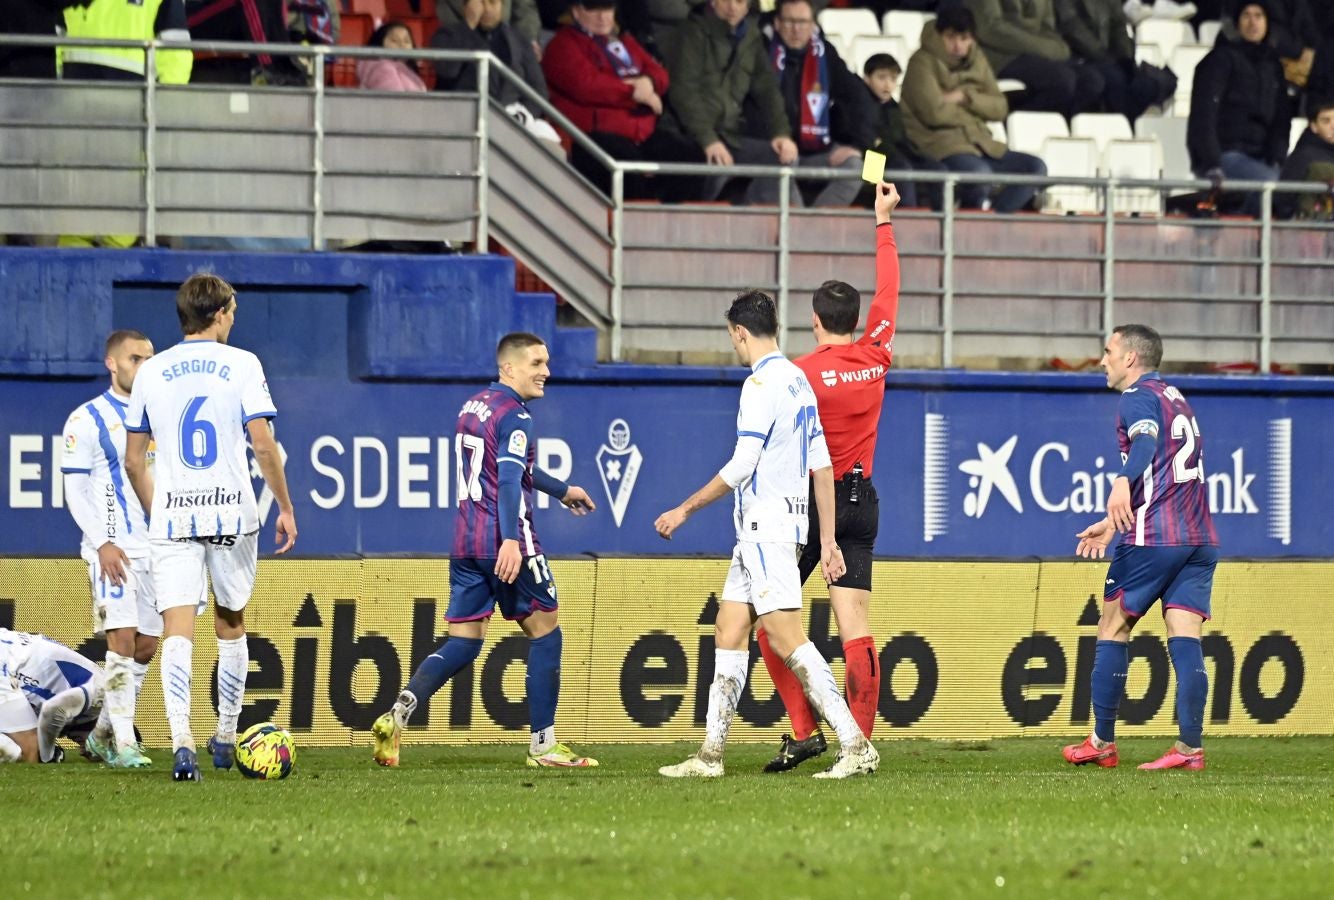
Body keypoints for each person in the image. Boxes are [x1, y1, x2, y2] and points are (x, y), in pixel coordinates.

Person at [654, 290, 880, 780]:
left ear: (739, 332)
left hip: (766, 529)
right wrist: (829, 542)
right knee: (729, 627)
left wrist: (684, 509)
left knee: (785, 634)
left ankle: (855, 743)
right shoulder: (798, 380)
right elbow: (822, 467)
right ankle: (711, 755)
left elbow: (742, 464)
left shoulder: (759, 385)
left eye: (732, 337)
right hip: (774, 529)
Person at [371, 333, 600, 769]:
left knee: (464, 641)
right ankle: (544, 745)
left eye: (547, 363)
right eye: (536, 363)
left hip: (466, 542)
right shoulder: (517, 417)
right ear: (509, 367)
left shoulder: (472, 407)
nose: (546, 371)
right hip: (506, 541)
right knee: (546, 631)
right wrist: (512, 538)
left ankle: (398, 713)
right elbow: (510, 482)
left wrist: (561, 489)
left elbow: (509, 470)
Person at [123, 274, 298, 782]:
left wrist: (163, 508)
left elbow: (135, 461)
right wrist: (284, 506)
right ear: (220, 313)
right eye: (233, 311)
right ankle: (224, 736)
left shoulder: (152, 372)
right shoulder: (243, 364)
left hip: (174, 513)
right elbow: (262, 443)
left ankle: (181, 746)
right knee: (230, 622)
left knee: (178, 629)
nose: (233, 319)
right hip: (231, 511)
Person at [754, 182, 901, 773]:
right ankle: (858, 745)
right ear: (856, 320)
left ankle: (804, 729)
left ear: (814, 321)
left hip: (814, 507)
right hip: (863, 499)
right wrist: (882, 222)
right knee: (856, 630)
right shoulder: (876, 355)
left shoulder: (798, 376)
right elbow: (892, 291)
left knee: (772, 625)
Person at [1063, 324, 1218, 772]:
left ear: (1130, 357)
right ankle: (1189, 749)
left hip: (1157, 537)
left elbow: (1147, 443)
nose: (1103, 360)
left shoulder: (1135, 398)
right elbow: (1167, 471)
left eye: (1109, 351)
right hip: (1199, 539)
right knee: (1186, 638)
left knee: (1112, 628)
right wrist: (1114, 524)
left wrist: (1118, 483)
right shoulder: (1175, 396)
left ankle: (1101, 741)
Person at [60, 330, 160, 769]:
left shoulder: (159, 414)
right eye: (135, 358)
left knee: (146, 647)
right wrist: (102, 542)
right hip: (113, 548)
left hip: (157, 548)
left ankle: (100, 734)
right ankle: (124, 744)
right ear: (112, 364)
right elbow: (76, 489)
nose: (143, 367)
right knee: (120, 641)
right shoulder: (87, 420)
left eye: (149, 359)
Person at [541, 0, 705, 201]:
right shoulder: (561, 45)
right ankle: (635, 226)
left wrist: (648, 82)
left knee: (691, 157)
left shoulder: (622, 42)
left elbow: (659, 73)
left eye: (607, 9)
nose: (602, 17)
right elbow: (587, 86)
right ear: (576, 12)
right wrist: (633, 92)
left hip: (640, 133)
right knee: (627, 165)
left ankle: (674, 223)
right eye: (593, 10)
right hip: (589, 138)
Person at [901, 6, 1048, 212]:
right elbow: (934, 113)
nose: (958, 45)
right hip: (942, 146)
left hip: (981, 144)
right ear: (939, 34)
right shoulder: (921, 63)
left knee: (1035, 168)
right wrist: (978, 107)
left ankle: (994, 221)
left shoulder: (977, 60)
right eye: (951, 37)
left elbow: (1000, 108)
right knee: (979, 175)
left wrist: (966, 97)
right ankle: (968, 224)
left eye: (964, 38)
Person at [665, 0, 797, 204]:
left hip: (732, 136)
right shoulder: (692, 32)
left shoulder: (751, 37)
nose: (732, 7)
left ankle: (752, 220)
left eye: (739, 1)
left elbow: (767, 89)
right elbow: (684, 92)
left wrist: (781, 133)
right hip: (689, 135)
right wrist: (708, 139)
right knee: (715, 163)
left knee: (784, 159)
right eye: (727, 0)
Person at [764, 0, 874, 207]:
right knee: (783, 162)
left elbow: (858, 98)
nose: (796, 30)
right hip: (777, 148)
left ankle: (816, 221)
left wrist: (858, 147)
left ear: (813, 24)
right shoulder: (762, 50)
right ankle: (799, 225)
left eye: (803, 22)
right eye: (789, 22)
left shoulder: (825, 52)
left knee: (869, 166)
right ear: (777, 23)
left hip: (819, 147)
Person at [1188, 1, 1293, 217]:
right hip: (1225, 155)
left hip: (1263, 159)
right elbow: (1204, 115)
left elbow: (1282, 119)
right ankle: (1242, 234)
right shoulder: (1219, 61)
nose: (1253, 22)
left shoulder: (1274, 67)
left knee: (1290, 191)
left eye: (1259, 16)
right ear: (1236, 22)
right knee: (1271, 186)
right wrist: (1211, 162)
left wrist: (1277, 158)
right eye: (1246, 15)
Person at [965, 0, 1103, 118]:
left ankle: (1058, 133)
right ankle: (1013, 127)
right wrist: (1046, 49)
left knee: (1091, 80)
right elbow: (990, 29)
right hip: (999, 54)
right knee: (1061, 80)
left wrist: (1058, 47)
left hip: (1035, 52)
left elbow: (1047, 27)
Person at [1055, 0, 1177, 122]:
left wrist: (1124, 58)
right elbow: (1071, 27)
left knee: (1149, 84)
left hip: (1107, 59)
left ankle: (1130, 128)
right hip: (1078, 57)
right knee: (1114, 78)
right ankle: (1123, 129)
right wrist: (1103, 56)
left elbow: (1119, 26)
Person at [0, 629, 105, 765]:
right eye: (99, 752)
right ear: (107, 730)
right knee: (29, 753)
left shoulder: (77, 717)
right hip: (7, 659)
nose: (82, 753)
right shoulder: (103, 692)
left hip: (10, 654)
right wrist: (46, 756)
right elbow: (53, 709)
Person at [863, 53, 947, 210]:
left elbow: (901, 140)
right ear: (867, 78)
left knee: (937, 169)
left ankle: (941, 220)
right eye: (882, 78)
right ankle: (909, 220)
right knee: (903, 168)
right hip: (870, 160)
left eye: (893, 79)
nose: (888, 84)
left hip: (895, 156)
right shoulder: (857, 104)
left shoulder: (894, 108)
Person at [1277, 98, 1334, 219]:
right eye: (1326, 121)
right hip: (1309, 228)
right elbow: (1283, 198)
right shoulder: (1304, 156)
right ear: (1314, 126)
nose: (1333, 126)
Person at [358, 21, 428, 92]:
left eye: (406, 41)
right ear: (379, 43)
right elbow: (394, 100)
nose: (402, 45)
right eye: (394, 40)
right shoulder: (382, 68)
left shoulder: (407, 70)